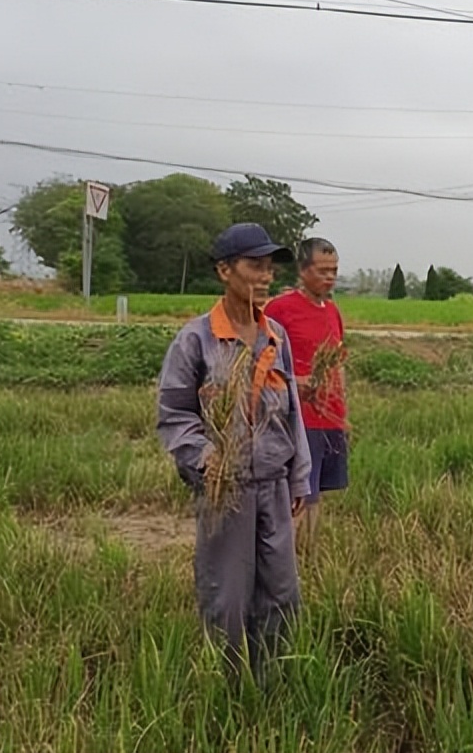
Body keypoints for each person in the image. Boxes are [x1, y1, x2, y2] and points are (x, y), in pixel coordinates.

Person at [156, 222, 311, 683]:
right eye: (254, 266)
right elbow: (175, 415)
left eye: (268, 268)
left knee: (281, 593)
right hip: (226, 492)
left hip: (275, 488)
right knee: (228, 596)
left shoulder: (275, 336)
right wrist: (206, 459)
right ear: (225, 271)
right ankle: (227, 689)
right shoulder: (196, 341)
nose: (264, 277)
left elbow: (292, 414)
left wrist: (299, 476)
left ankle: (273, 685)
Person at [264, 237, 348, 552]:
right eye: (322, 270)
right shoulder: (279, 310)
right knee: (301, 492)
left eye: (334, 271)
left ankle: (311, 557)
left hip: (331, 418)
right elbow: (261, 362)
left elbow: (338, 364)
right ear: (303, 270)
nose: (330, 278)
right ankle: (288, 560)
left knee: (319, 492)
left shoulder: (333, 312)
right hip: (299, 417)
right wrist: (296, 382)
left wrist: (343, 413)